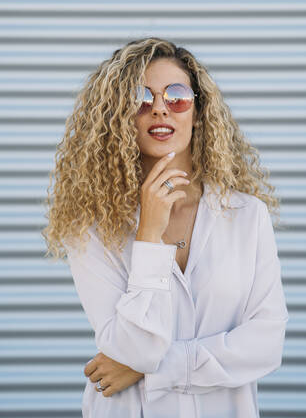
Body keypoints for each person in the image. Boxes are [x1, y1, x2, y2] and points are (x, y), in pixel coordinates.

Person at [42, 37, 289, 418]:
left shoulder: (247, 215)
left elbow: (266, 344)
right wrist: (149, 236)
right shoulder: (91, 227)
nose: (159, 108)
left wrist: (149, 368)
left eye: (176, 96)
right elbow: (136, 346)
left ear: (197, 110)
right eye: (141, 98)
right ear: (118, 116)